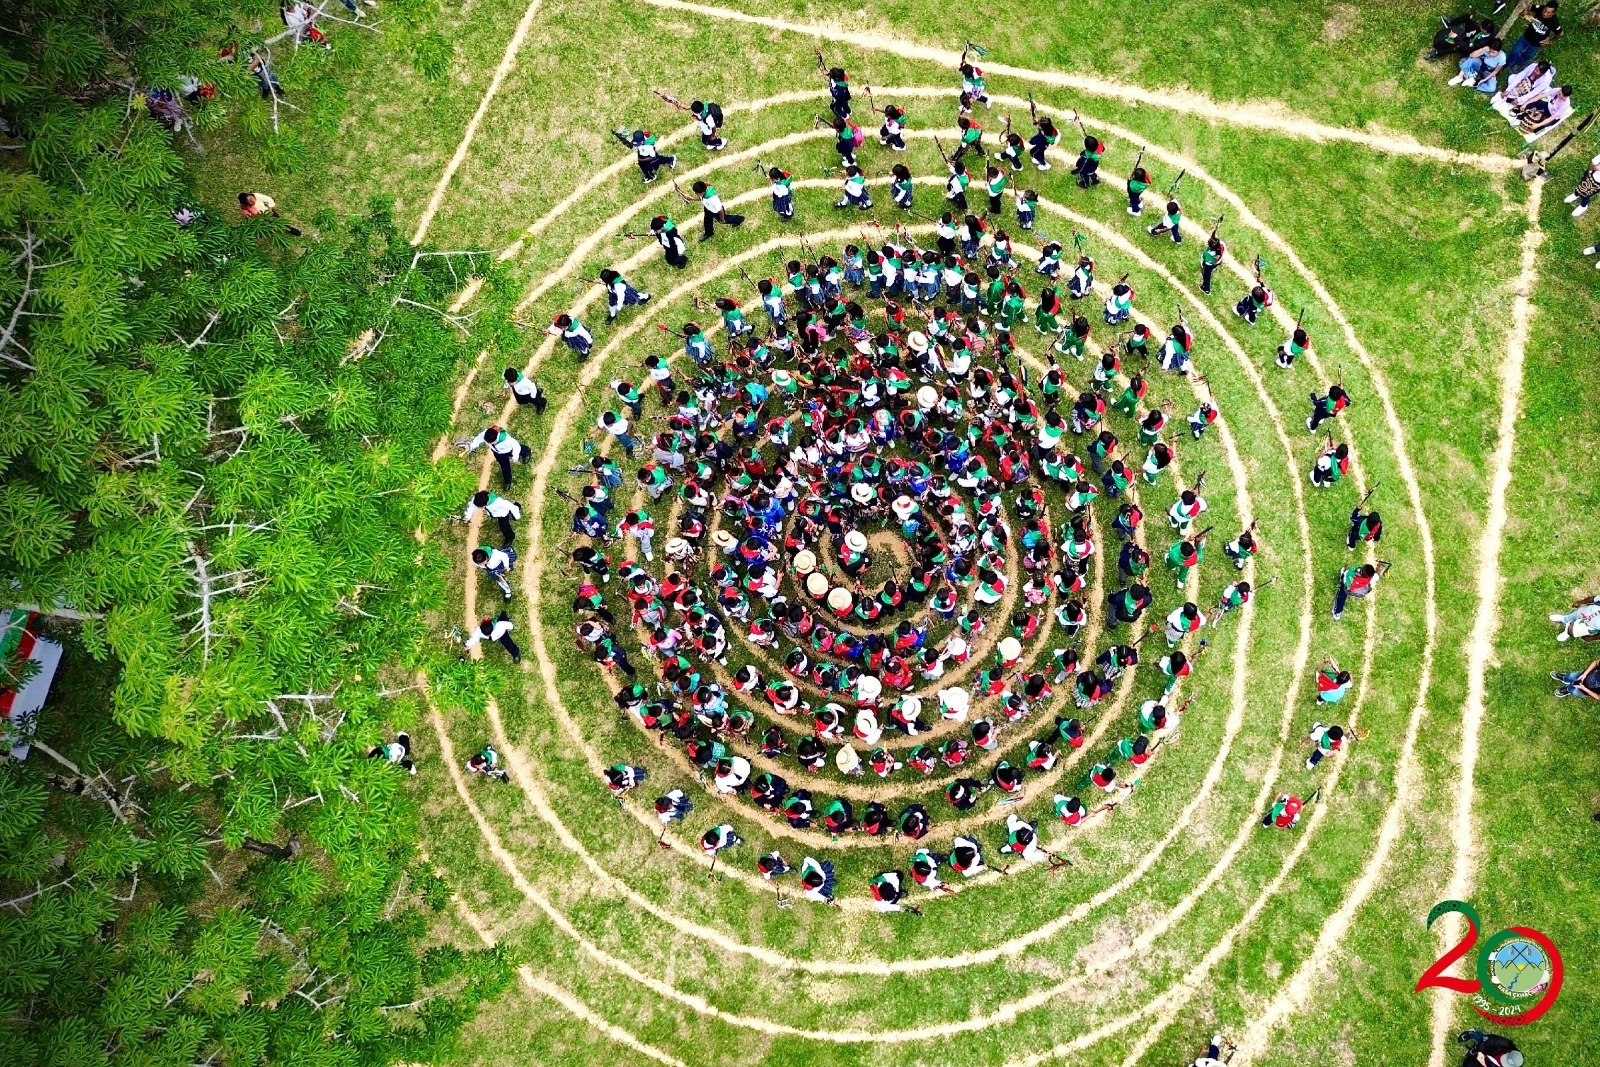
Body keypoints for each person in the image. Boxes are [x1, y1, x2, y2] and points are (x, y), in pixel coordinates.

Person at [459, 424, 531, 491]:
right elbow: (478, 440)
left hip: (509, 450)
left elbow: (516, 446)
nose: (488, 444)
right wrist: (470, 446)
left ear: (496, 438)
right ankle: (507, 481)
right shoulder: (485, 434)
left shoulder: (506, 439)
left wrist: (515, 457)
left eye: (491, 443)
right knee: (505, 468)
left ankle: (527, 452)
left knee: (522, 450)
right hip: (499, 453)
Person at [679, 180, 744, 241]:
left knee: (725, 220)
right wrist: (692, 198)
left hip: (716, 212)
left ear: (702, 192)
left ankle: (739, 219)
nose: (695, 193)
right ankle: (708, 233)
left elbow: (720, 209)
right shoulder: (704, 190)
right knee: (707, 220)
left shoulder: (712, 198)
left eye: (696, 192)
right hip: (708, 208)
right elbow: (701, 197)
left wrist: (722, 219)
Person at [1504, 3, 1560, 74]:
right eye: (1544, 10)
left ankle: (1517, 64)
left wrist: (1550, 40)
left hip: (1536, 45)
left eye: (1548, 12)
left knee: (1527, 56)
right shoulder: (1540, 8)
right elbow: (1529, 6)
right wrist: (1526, 14)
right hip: (1526, 37)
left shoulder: (1555, 22)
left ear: (1553, 13)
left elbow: (1560, 34)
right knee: (1515, 51)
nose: (1545, 13)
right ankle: (1508, 63)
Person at [1457, 1029, 1523, 1067]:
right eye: (1504, 1059)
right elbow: (1487, 1039)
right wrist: (1480, 1052)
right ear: (1508, 1052)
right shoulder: (1504, 1044)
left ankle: (1475, 1052)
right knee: (1482, 1038)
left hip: (1487, 1062)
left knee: (1468, 1063)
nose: (1503, 1063)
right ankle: (1471, 1033)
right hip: (1486, 1050)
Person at [1564, 150, 1600, 217]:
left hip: (1598, 184)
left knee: (1586, 195)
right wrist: (1590, 171)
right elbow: (1593, 162)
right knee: (1580, 186)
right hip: (1591, 174)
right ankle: (1575, 194)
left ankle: (1583, 206)